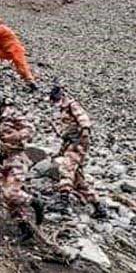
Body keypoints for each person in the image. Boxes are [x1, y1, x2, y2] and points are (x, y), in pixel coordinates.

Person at [0, 87, 44, 243]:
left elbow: (30, 129)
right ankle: (25, 230)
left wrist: (13, 137)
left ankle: (35, 202)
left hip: (17, 159)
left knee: (11, 193)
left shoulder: (12, 114)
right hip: (4, 160)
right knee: (8, 198)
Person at [49, 84, 107, 219]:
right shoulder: (63, 108)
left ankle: (63, 202)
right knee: (78, 180)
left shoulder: (71, 104)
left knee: (66, 168)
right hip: (71, 143)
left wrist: (84, 133)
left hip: (77, 143)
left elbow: (83, 118)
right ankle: (98, 206)